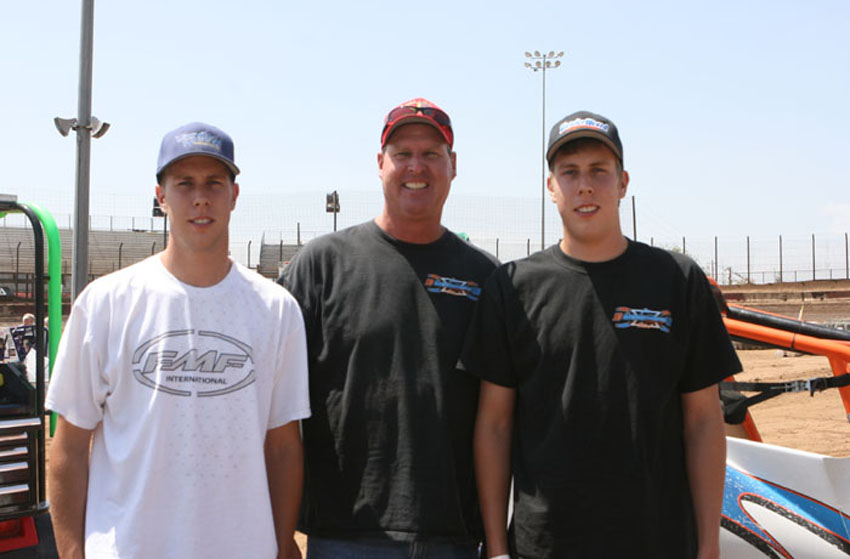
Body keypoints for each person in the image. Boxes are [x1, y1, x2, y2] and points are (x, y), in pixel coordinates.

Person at [467, 111, 742, 559]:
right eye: (570, 172)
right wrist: (497, 549)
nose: (585, 186)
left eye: (599, 170)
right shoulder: (513, 287)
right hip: (545, 546)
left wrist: (709, 545)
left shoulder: (676, 280)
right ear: (551, 186)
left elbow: (704, 421)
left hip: (658, 543)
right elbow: (494, 424)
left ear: (623, 182)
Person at [46, 122, 311, 559]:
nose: (200, 198)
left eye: (214, 183)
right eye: (184, 183)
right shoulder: (106, 303)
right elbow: (69, 445)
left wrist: (283, 546)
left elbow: (283, 447)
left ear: (234, 195)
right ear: (161, 196)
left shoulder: (276, 310)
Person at [280, 98, 499, 558]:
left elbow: (500, 416)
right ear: (380, 164)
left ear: (453, 165)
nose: (416, 166)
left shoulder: (486, 278)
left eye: (431, 154)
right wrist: (280, 534)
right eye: (402, 154)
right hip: (344, 535)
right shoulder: (322, 266)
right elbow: (275, 408)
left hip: (452, 537)